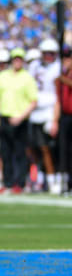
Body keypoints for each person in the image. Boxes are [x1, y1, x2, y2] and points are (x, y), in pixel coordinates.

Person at [0, 47, 38, 193]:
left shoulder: (27, 77)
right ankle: (7, 182)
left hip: (20, 119)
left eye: (19, 59)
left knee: (20, 152)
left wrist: (20, 117)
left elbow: (33, 101)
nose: (17, 61)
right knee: (5, 152)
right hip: (5, 117)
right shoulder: (3, 76)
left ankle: (20, 182)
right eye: (15, 58)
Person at [27, 39, 61, 193]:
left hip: (50, 110)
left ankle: (53, 179)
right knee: (33, 148)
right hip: (34, 111)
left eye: (51, 53)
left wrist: (54, 118)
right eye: (45, 53)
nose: (48, 56)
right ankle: (39, 178)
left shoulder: (58, 67)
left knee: (47, 148)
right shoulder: (34, 65)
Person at [52, 47, 72, 195]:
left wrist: (62, 79)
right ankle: (66, 182)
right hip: (65, 117)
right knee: (65, 151)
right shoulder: (63, 76)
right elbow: (58, 100)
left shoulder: (64, 77)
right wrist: (55, 120)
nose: (66, 61)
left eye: (68, 58)